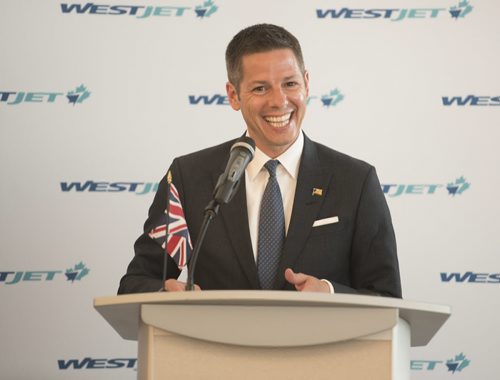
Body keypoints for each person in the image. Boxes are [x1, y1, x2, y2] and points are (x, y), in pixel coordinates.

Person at [118, 23, 402, 297]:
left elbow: (386, 297)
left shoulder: (355, 181)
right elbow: (136, 282)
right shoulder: (188, 177)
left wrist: (329, 293)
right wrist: (166, 293)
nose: (279, 101)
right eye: (260, 88)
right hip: (217, 345)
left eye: (290, 83)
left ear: (306, 83)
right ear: (233, 95)